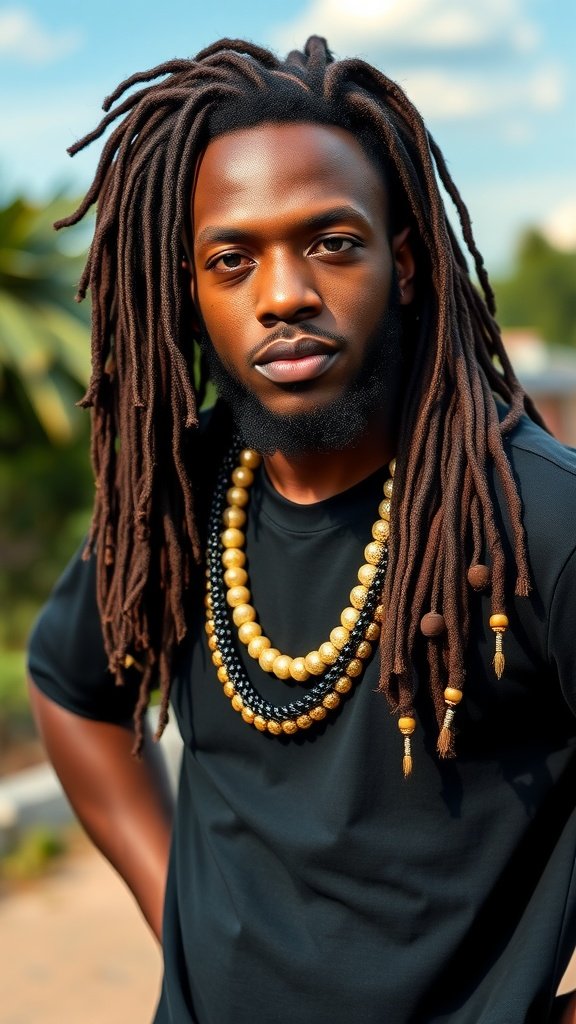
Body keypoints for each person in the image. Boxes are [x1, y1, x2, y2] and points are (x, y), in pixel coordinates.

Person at [27, 35, 576, 1024]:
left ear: (404, 264)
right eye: (231, 259)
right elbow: (72, 689)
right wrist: (178, 914)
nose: (283, 294)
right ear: (189, 291)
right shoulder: (184, 493)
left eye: (332, 242)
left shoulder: (537, 518)